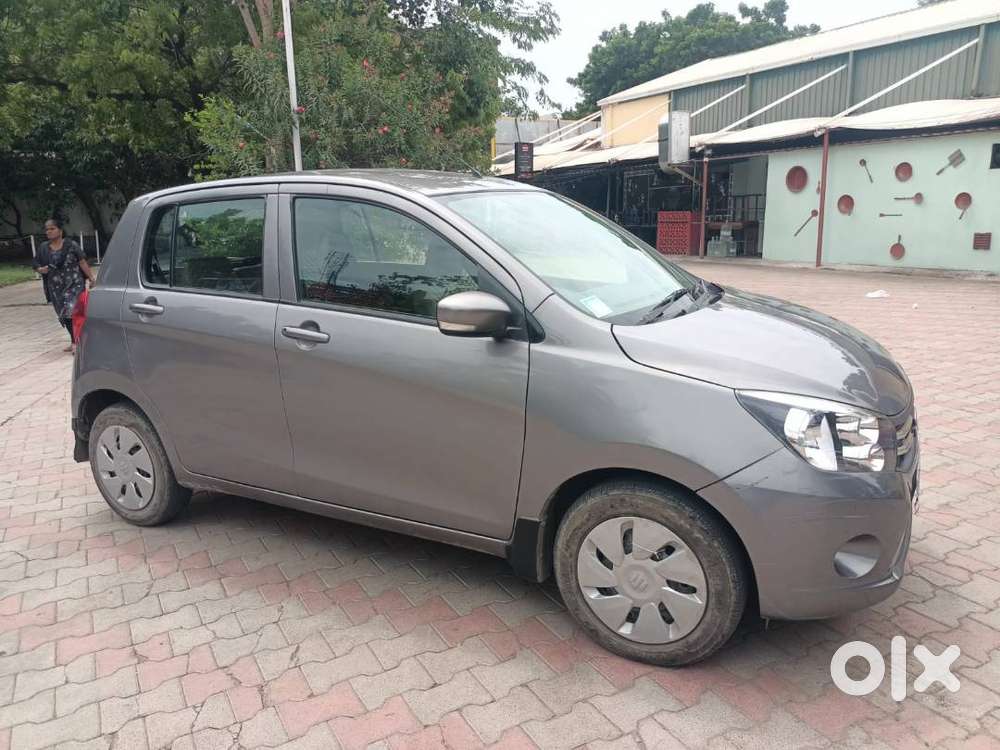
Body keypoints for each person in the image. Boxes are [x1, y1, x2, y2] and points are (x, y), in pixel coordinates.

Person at [33, 218, 96, 353]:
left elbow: (82, 262)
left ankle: (76, 343)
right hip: (55, 288)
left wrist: (91, 278)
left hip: (74, 284)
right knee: (63, 313)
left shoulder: (72, 245)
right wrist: (40, 269)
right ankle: (74, 340)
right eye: (47, 229)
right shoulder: (43, 248)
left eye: (52, 228)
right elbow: (36, 263)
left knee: (72, 311)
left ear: (60, 231)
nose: (49, 231)